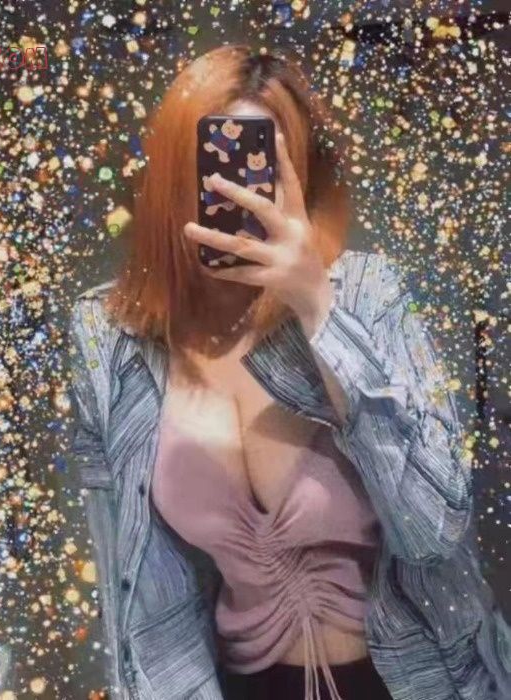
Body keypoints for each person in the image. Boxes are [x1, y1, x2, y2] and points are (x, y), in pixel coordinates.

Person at [67, 44, 511, 700]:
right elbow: (128, 583)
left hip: (415, 681)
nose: (234, 189)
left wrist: (318, 309)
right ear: (170, 174)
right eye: (212, 164)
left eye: (261, 167)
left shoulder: (368, 295)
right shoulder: (110, 337)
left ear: (298, 174)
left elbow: (434, 530)